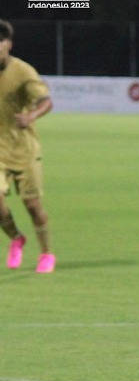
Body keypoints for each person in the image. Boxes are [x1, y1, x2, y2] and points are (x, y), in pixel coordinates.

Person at [0, 19, 56, 273]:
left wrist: (30, 116)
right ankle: (16, 237)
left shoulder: (23, 72)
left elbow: (46, 101)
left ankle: (46, 253)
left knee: (33, 206)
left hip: (24, 151)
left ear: (8, 44)